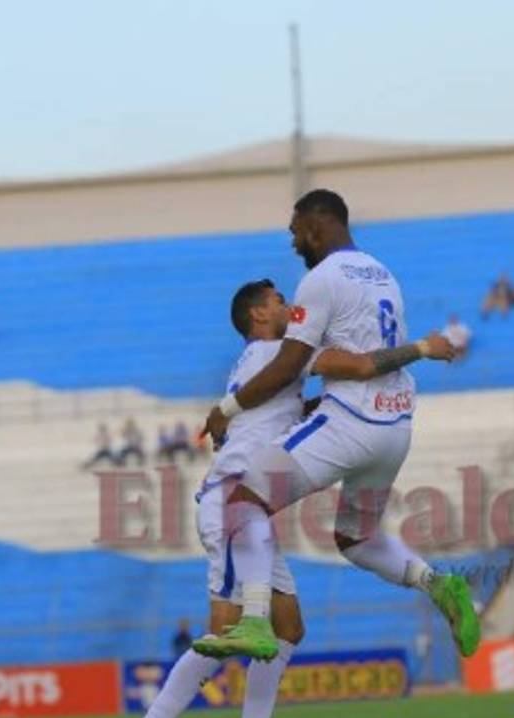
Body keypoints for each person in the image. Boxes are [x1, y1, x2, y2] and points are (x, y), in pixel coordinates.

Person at [121, 272, 457, 718]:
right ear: (259, 314)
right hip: (232, 503)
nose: (291, 307)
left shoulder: (263, 365)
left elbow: (295, 409)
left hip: (247, 508)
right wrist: (423, 349)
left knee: (288, 628)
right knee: (226, 632)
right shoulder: (280, 354)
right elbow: (358, 365)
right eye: (280, 301)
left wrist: (344, 409)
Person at [197, 189, 479, 666]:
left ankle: (255, 622)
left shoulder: (320, 280)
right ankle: (437, 583)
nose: (293, 243)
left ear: (315, 226)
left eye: (295, 232)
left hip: (350, 423)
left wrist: (226, 408)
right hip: (395, 429)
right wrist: (421, 349)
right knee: (356, 538)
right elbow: (361, 357)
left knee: (244, 499)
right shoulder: (383, 274)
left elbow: (291, 365)